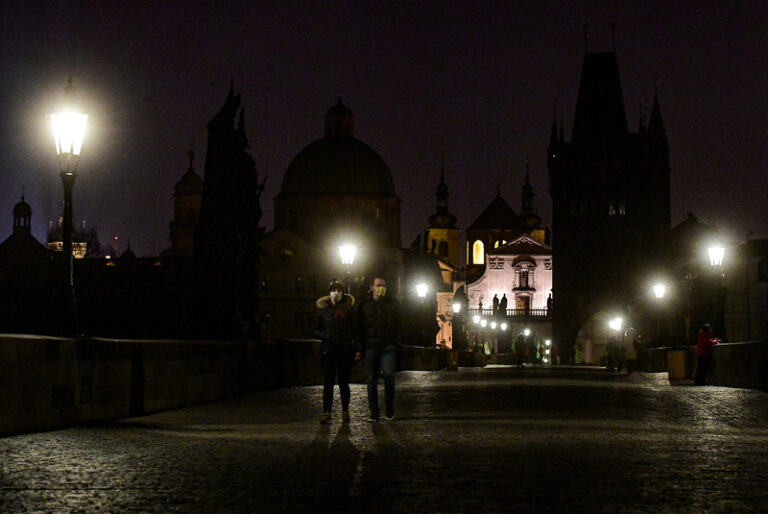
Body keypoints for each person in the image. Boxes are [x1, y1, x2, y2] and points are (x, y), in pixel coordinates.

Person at [314, 278, 360, 424]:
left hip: (345, 351)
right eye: (334, 291)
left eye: (339, 291)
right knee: (328, 383)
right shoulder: (323, 311)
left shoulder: (349, 310)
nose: (336, 293)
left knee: (343, 383)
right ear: (329, 293)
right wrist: (325, 336)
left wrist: (358, 349)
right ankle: (327, 412)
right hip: (328, 350)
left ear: (343, 293)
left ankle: (345, 412)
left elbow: (355, 331)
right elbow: (316, 330)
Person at [357, 275, 401, 422]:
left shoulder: (393, 304)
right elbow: (359, 329)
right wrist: (359, 348)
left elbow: (400, 324)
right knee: (372, 380)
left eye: (384, 286)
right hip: (371, 347)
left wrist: (396, 341)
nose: (381, 289)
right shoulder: (364, 305)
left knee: (389, 375)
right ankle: (374, 413)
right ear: (372, 287)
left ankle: (389, 406)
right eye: (379, 285)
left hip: (388, 347)